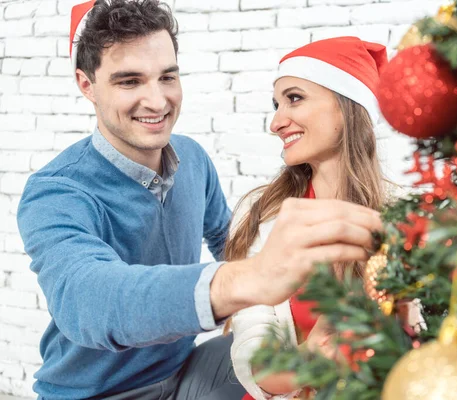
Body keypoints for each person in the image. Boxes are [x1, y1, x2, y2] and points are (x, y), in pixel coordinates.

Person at [16, 1, 382, 399]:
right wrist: (251, 279)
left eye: (167, 77)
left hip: (184, 369)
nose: (157, 102)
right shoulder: (56, 191)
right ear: (87, 85)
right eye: (129, 82)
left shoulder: (191, 158)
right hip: (98, 393)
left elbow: (233, 242)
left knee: (286, 355)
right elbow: (88, 298)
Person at [227, 37, 392, 400]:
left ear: (346, 107)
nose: (276, 122)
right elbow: (253, 362)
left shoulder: (400, 221)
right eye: (277, 104)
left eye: (294, 98)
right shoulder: (266, 217)